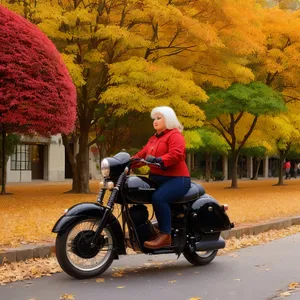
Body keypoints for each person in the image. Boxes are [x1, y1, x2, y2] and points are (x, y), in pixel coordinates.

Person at [133, 106, 191, 250]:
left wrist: (159, 160)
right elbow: (141, 155)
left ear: (169, 119)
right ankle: (142, 232)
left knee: (159, 198)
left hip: (177, 179)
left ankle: (166, 235)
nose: (155, 121)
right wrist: (126, 162)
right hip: (157, 178)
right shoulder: (153, 139)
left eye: (159, 118)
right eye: (154, 119)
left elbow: (177, 154)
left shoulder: (174, 135)